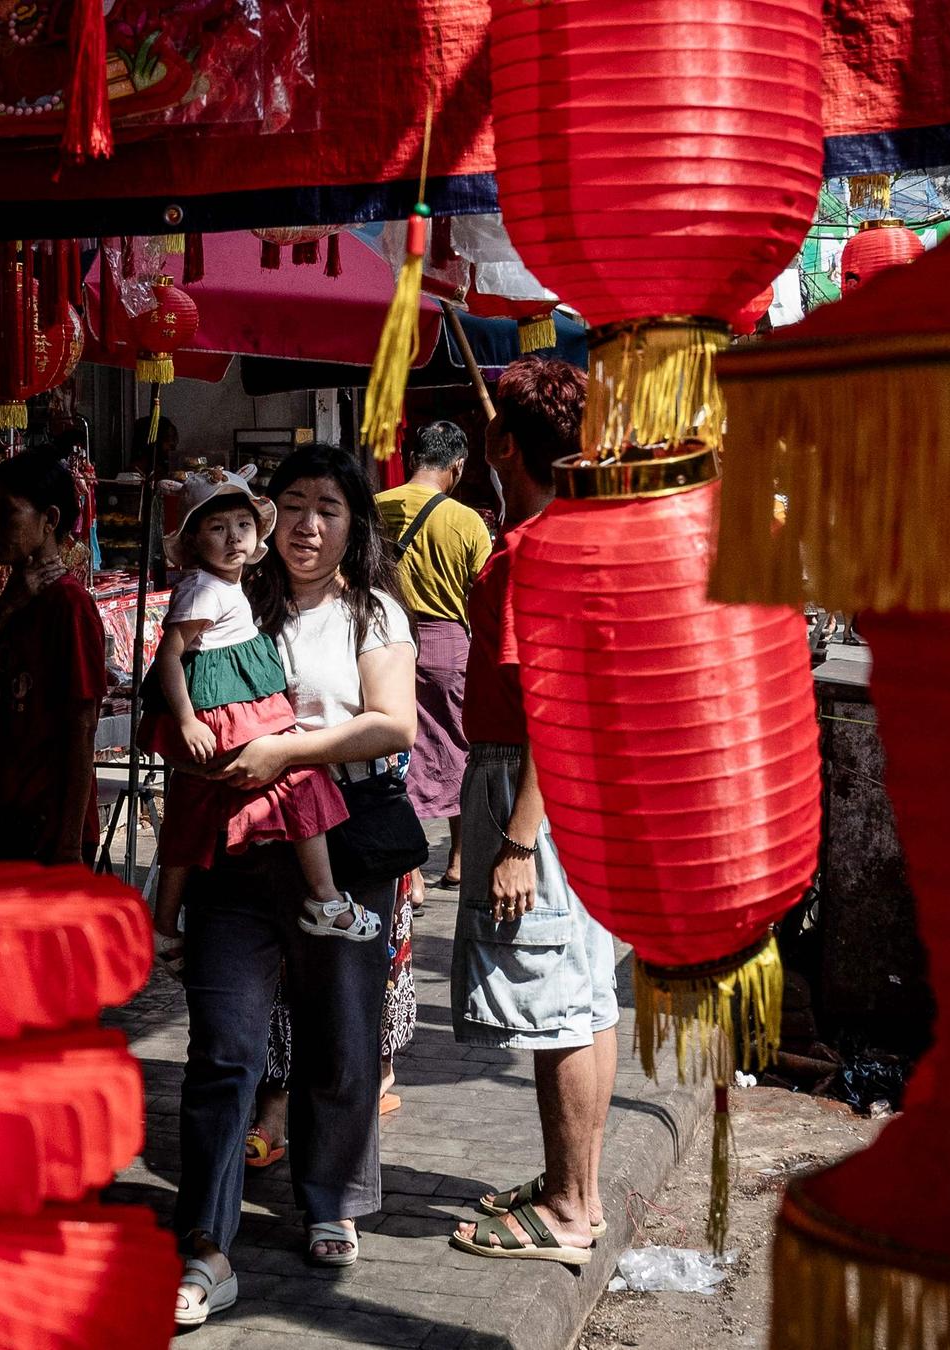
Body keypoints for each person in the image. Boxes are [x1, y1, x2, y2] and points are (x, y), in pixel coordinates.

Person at [171, 444, 417, 1328]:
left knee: (337, 1033)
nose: (309, 525)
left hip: (342, 841)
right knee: (225, 1045)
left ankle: (331, 1196)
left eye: (330, 508)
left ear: (355, 524)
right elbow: (182, 695)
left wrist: (287, 750)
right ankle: (204, 1246)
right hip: (239, 844)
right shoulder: (229, 597)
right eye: (294, 505)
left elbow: (392, 726)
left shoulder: (371, 612)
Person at [448, 358, 619, 1267]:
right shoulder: (584, 534)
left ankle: (565, 1204)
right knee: (587, 997)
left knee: (556, 1001)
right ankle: (579, 1191)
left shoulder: (532, 550)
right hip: (581, 791)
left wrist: (519, 838)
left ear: (503, 445)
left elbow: (555, 704)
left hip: (536, 783)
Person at [145, 466, 374, 949]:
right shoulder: (205, 588)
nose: (233, 539)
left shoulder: (226, 585)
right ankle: (324, 896)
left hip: (229, 704)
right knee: (300, 778)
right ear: (193, 540)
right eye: (216, 528)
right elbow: (169, 652)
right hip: (225, 709)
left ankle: (164, 925)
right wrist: (186, 720)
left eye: (242, 526)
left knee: (193, 805)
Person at [0, 451, 107, 866]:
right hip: (3, 812)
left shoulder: (69, 605)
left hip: (47, 825)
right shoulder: (16, 602)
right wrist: (7, 606)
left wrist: (67, 845)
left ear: (49, 519)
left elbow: (83, 729)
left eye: (6, 514)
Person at [375, 421, 492, 890]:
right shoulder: (466, 522)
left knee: (394, 751)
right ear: (457, 467)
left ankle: (411, 870)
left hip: (383, 642)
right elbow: (483, 596)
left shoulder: (374, 509)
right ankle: (459, 859)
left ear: (411, 457)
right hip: (448, 648)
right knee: (456, 750)